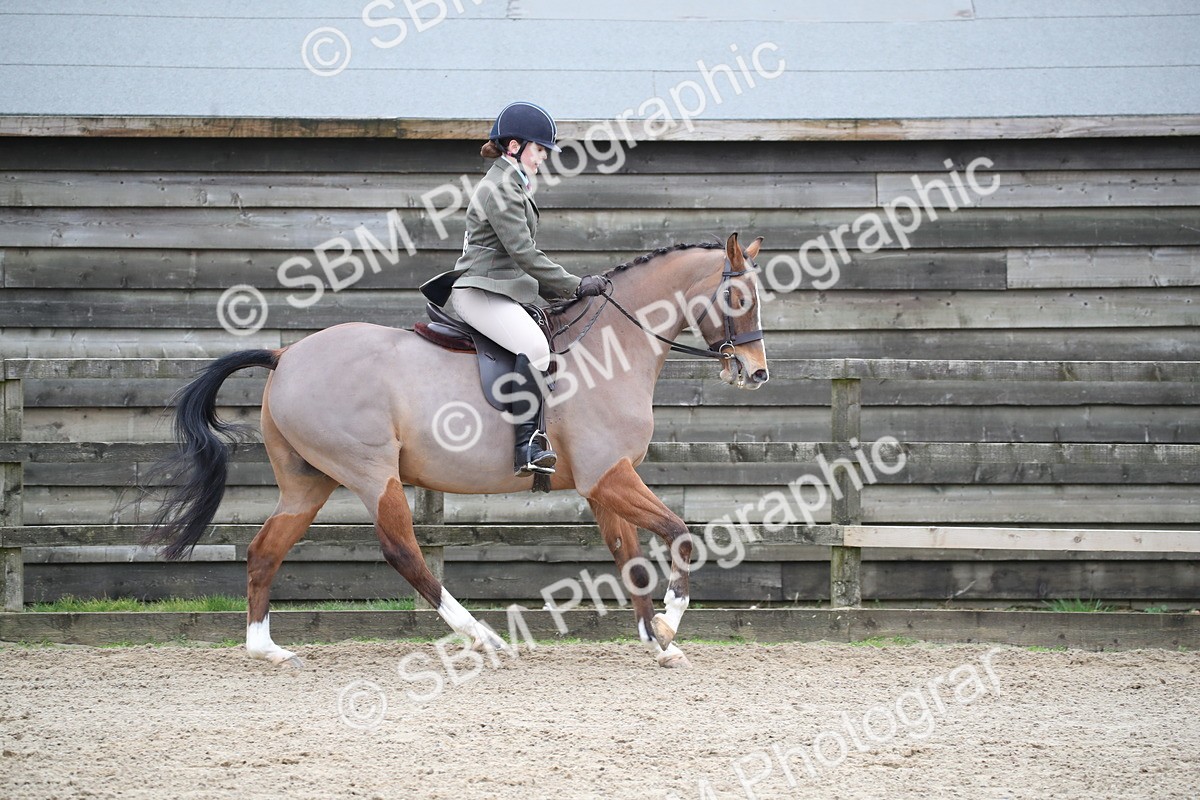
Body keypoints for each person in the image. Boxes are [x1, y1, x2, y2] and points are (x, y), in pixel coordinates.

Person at [421, 101, 606, 477]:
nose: (542, 159)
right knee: (535, 346)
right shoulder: (501, 187)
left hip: (500, 289)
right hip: (480, 291)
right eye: (539, 150)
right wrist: (575, 285)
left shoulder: (511, 184)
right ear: (515, 147)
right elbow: (523, 252)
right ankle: (527, 448)